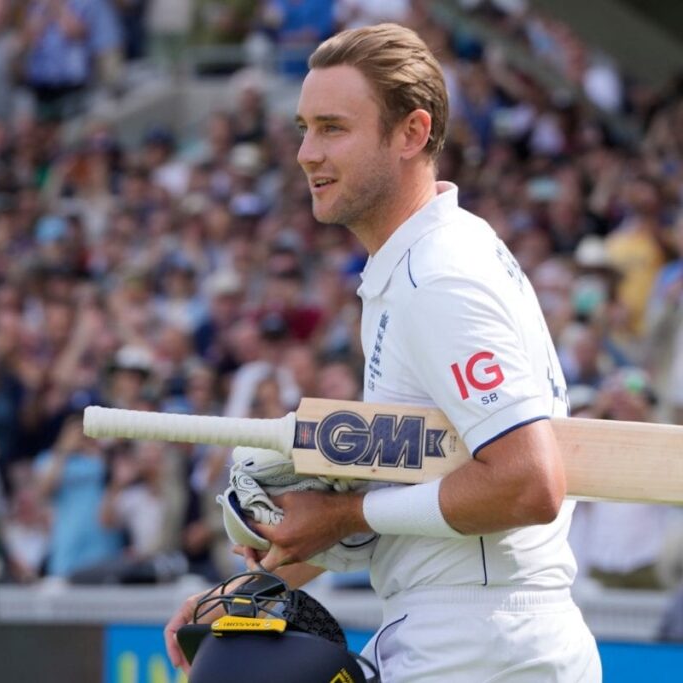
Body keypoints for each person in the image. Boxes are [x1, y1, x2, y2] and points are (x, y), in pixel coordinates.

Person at [164, 23, 601, 682]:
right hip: (469, 633)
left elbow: (527, 480)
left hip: (480, 646)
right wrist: (272, 566)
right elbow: (438, 488)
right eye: (304, 127)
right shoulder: (424, 262)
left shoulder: (439, 275)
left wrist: (339, 512)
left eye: (333, 128)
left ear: (412, 133)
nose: (308, 152)